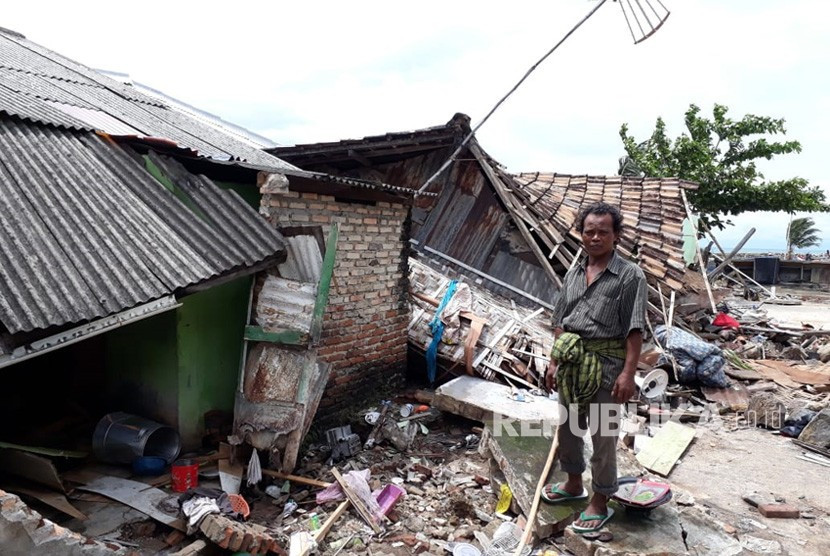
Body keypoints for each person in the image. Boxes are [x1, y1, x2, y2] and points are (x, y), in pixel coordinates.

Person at [542, 202, 647, 534]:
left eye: (604, 231)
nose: (596, 237)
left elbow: (634, 329)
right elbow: (561, 324)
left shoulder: (630, 276)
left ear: (616, 235)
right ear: (581, 234)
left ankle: (600, 500)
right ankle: (574, 483)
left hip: (607, 367)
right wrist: (554, 361)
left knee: (603, 438)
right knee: (569, 430)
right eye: (590, 231)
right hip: (572, 366)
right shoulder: (573, 273)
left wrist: (628, 374)